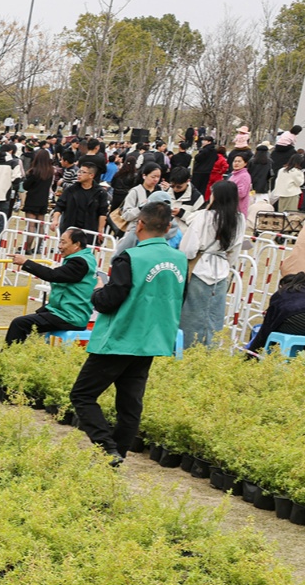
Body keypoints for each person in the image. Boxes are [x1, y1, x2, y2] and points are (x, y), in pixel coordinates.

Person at [68, 200, 186, 465]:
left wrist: (98, 290)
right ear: (168, 228)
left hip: (120, 337)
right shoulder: (180, 259)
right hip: (153, 340)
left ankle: (107, 448)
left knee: (82, 395)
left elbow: (110, 300)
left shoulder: (130, 257)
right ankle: (116, 456)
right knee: (130, 405)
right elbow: (180, 297)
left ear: (139, 224)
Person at [178, 180, 245, 347]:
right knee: (215, 314)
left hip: (199, 267)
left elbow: (189, 248)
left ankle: (187, 350)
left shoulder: (204, 216)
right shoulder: (239, 219)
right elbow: (235, 251)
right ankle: (210, 351)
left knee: (192, 314)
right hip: (221, 268)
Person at [6, 228, 98, 343]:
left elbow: (52, 275)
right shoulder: (87, 258)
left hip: (70, 316)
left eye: (63, 242)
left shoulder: (79, 263)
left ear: (76, 245)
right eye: (59, 242)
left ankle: (7, 357)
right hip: (67, 312)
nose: (59, 246)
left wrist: (25, 262)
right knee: (36, 316)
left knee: (19, 323)